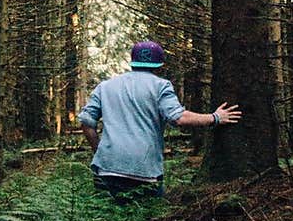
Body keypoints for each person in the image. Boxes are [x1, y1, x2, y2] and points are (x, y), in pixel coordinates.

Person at [78, 39, 241, 198]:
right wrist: (215, 117)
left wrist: (99, 150)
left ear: (132, 61)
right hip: (143, 170)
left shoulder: (105, 86)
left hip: (106, 168)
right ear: (160, 65)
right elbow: (179, 118)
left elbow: (86, 122)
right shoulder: (160, 86)